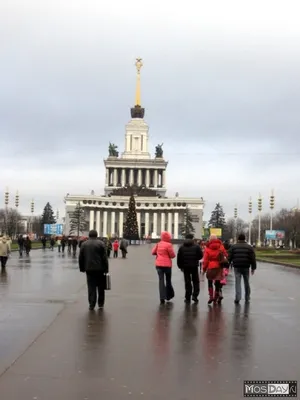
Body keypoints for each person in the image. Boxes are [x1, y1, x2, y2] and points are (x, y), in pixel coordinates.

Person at [79, 230, 109, 310]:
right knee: (101, 287)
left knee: (91, 287)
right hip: (100, 269)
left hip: (89, 269)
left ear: (89, 235)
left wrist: (82, 268)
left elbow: (81, 258)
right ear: (96, 235)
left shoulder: (84, 244)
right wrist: (106, 269)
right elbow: (104, 258)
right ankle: (101, 303)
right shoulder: (101, 244)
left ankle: (92, 304)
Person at [228, 233, 257, 304]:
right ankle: (247, 297)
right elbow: (253, 258)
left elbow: (229, 257)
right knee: (246, 282)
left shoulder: (233, 247)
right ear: (245, 239)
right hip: (246, 266)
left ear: (238, 239)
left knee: (237, 282)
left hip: (237, 266)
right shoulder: (249, 247)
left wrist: (227, 266)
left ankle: (238, 297)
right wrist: (253, 268)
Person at [177, 233, 203, 304]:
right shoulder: (197, 246)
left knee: (187, 282)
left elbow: (179, 258)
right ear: (192, 238)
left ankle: (187, 297)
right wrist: (195, 259)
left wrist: (180, 266)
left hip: (185, 267)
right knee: (195, 281)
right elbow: (201, 256)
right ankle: (195, 296)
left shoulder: (181, 247)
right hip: (194, 266)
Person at [152, 231, 176, 305]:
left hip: (159, 265)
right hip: (167, 266)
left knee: (161, 281)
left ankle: (162, 297)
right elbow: (172, 255)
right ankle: (169, 295)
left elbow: (153, 252)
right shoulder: (169, 245)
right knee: (168, 280)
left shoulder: (158, 244)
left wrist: (158, 253)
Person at [202, 234, 227, 305]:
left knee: (210, 282)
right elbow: (226, 255)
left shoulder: (207, 248)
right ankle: (216, 297)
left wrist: (204, 269)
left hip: (210, 266)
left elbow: (205, 260)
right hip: (219, 267)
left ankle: (211, 297)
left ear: (209, 239)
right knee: (217, 283)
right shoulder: (221, 246)